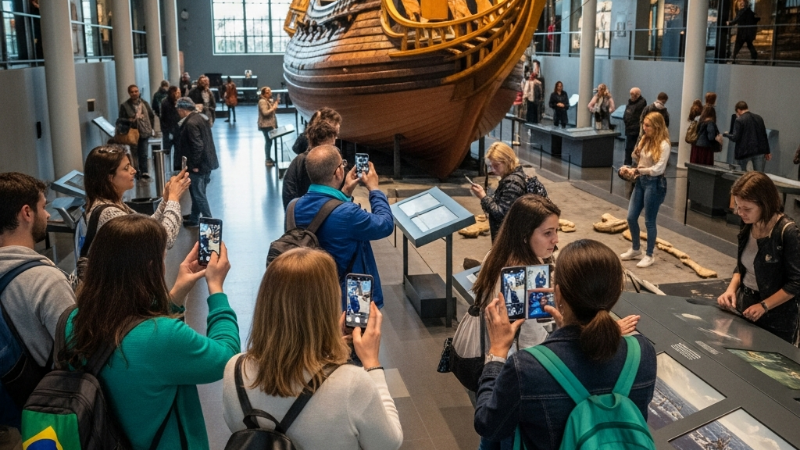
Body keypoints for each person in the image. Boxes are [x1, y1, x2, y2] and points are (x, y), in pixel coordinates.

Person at [63, 215, 240, 448]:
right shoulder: (163, 336)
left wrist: (176, 293)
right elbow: (226, 357)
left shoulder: (72, 320)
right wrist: (216, 290)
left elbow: (130, 322)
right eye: (163, 259)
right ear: (151, 268)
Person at [474, 239, 657, 448]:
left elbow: (488, 425)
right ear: (615, 294)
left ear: (557, 294)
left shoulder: (526, 367)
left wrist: (496, 353)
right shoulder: (642, 352)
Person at [222, 248, 403, 449]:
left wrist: (329, 345)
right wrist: (372, 364)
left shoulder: (234, 369)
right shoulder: (353, 384)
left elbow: (235, 424)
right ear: (327, 307)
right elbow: (389, 443)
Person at [0, 173, 75, 428]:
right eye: (43, 207)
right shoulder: (44, 280)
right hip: (42, 419)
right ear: (26, 213)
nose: (47, 215)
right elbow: (79, 350)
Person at [292, 145, 393, 309]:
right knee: (359, 334)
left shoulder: (293, 207)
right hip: (353, 295)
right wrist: (374, 189)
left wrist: (345, 192)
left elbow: (329, 215)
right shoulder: (348, 214)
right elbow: (385, 224)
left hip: (314, 293)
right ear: (338, 172)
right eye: (342, 164)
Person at [718, 172, 800, 345]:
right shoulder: (747, 223)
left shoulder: (788, 232)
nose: (740, 213)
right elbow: (743, 266)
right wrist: (731, 290)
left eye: (747, 209)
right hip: (744, 307)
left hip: (776, 318)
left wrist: (764, 306)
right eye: (738, 207)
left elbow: (796, 283)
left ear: (765, 204)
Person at [83, 145, 188, 250]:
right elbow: (163, 240)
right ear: (110, 177)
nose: (133, 171)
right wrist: (173, 198)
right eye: (126, 168)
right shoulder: (109, 214)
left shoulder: (111, 203)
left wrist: (165, 201)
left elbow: (144, 228)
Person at [620, 112, 670, 268]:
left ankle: (649, 254)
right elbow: (639, 159)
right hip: (641, 181)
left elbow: (658, 168)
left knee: (649, 221)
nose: (644, 128)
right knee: (631, 217)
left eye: (647, 125)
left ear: (656, 126)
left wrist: (640, 170)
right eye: (644, 124)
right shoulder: (645, 139)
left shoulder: (664, 144)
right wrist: (633, 162)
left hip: (655, 184)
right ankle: (636, 249)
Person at [469, 142, 547, 242]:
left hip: (510, 241)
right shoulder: (515, 176)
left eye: (496, 165)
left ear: (507, 161)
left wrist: (483, 196)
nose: (492, 170)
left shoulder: (513, 183)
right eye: (490, 166)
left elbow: (502, 215)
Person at [282, 108, 342, 209]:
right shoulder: (335, 161)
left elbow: (289, 199)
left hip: (300, 219)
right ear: (329, 135)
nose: (336, 139)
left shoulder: (297, 162)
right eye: (335, 135)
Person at [176, 97, 219, 227]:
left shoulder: (190, 124)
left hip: (199, 165)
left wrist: (194, 165)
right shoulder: (200, 118)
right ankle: (194, 218)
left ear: (183, 110)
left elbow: (197, 146)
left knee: (198, 195)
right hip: (207, 163)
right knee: (196, 193)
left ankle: (209, 222)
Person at [118, 84, 155, 179]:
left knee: (144, 152)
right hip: (133, 132)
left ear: (138, 92)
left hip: (144, 132)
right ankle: (136, 170)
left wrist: (151, 128)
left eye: (136, 91)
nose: (134, 93)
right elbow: (120, 119)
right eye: (132, 92)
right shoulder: (125, 106)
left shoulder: (144, 103)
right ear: (129, 93)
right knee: (134, 153)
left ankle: (144, 171)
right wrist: (129, 120)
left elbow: (151, 115)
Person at [724, 101, 770, 171]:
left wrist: (726, 134)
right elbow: (764, 135)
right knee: (758, 175)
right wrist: (767, 151)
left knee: (741, 175)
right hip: (759, 151)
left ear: (738, 110)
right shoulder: (759, 118)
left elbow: (735, 137)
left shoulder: (739, 120)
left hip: (744, 152)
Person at [622, 87, 647, 166]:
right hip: (629, 128)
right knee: (629, 147)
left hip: (636, 129)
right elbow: (627, 114)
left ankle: (636, 163)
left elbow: (633, 115)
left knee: (637, 147)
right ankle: (627, 162)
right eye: (631, 94)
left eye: (633, 94)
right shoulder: (630, 103)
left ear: (638, 95)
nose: (631, 96)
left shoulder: (641, 103)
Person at [160, 86, 182, 171]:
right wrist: (167, 131)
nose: (178, 94)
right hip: (168, 131)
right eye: (177, 92)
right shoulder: (165, 103)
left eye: (179, 92)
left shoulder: (180, 102)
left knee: (178, 151)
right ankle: (166, 169)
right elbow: (165, 118)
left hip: (178, 130)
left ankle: (177, 168)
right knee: (167, 151)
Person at [258, 86, 280, 166]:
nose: (270, 93)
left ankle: (268, 158)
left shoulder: (266, 101)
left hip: (269, 125)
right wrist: (273, 108)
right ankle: (267, 159)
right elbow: (265, 113)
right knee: (268, 142)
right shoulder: (262, 101)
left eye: (270, 91)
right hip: (265, 125)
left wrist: (275, 103)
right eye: (267, 92)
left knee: (269, 142)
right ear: (263, 94)